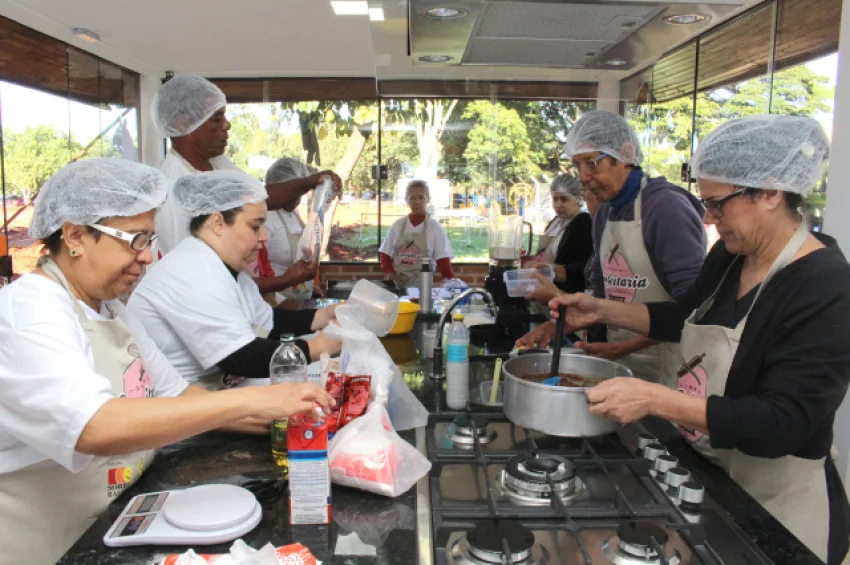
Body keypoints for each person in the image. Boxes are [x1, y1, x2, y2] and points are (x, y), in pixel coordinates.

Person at [548, 115, 850, 564]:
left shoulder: (826, 286)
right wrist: (601, 309)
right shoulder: (731, 258)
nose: (708, 217)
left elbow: (786, 423)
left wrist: (656, 399)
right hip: (712, 475)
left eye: (718, 204)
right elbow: (683, 318)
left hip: (779, 505)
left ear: (769, 192)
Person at [0, 159, 334, 565]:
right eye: (136, 240)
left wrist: (292, 418)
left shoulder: (114, 311)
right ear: (75, 236)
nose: (146, 257)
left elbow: (180, 394)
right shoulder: (31, 310)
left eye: (150, 241)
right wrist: (253, 402)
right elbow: (92, 425)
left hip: (117, 516)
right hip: (54, 542)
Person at [518, 111, 706, 388]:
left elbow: (695, 313)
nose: (583, 177)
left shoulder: (665, 208)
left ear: (626, 153)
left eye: (592, 163)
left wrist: (624, 348)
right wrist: (559, 326)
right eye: (577, 165)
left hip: (671, 369)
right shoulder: (606, 213)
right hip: (620, 364)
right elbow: (604, 300)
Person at [128, 170, 341, 390]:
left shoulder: (227, 270)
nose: (264, 237)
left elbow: (268, 322)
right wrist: (318, 346)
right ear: (218, 223)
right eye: (255, 226)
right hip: (185, 402)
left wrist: (322, 316)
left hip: (217, 390)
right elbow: (241, 357)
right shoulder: (194, 273)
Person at [151, 75, 341, 254]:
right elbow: (189, 266)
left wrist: (310, 182)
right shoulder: (171, 188)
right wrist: (281, 281)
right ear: (183, 124)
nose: (227, 125)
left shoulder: (217, 163)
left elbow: (259, 197)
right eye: (217, 119)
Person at [254, 157, 322, 303]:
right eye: (293, 192)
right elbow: (255, 277)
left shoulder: (293, 214)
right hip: (276, 302)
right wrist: (280, 301)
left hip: (298, 297)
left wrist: (310, 289)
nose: (297, 199)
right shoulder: (266, 219)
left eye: (300, 193)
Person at [525, 173, 593, 295]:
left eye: (564, 199)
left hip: (568, 292)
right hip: (547, 286)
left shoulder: (583, 223)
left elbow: (585, 266)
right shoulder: (555, 222)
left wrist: (555, 270)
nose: (558, 204)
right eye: (555, 199)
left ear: (578, 199)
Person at [379, 180, 455, 287]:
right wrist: (390, 273)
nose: (417, 202)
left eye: (421, 198)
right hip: (397, 285)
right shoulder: (398, 225)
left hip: (423, 287)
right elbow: (385, 254)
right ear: (407, 201)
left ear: (428, 199)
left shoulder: (435, 228)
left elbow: (443, 260)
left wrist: (452, 282)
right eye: (412, 198)